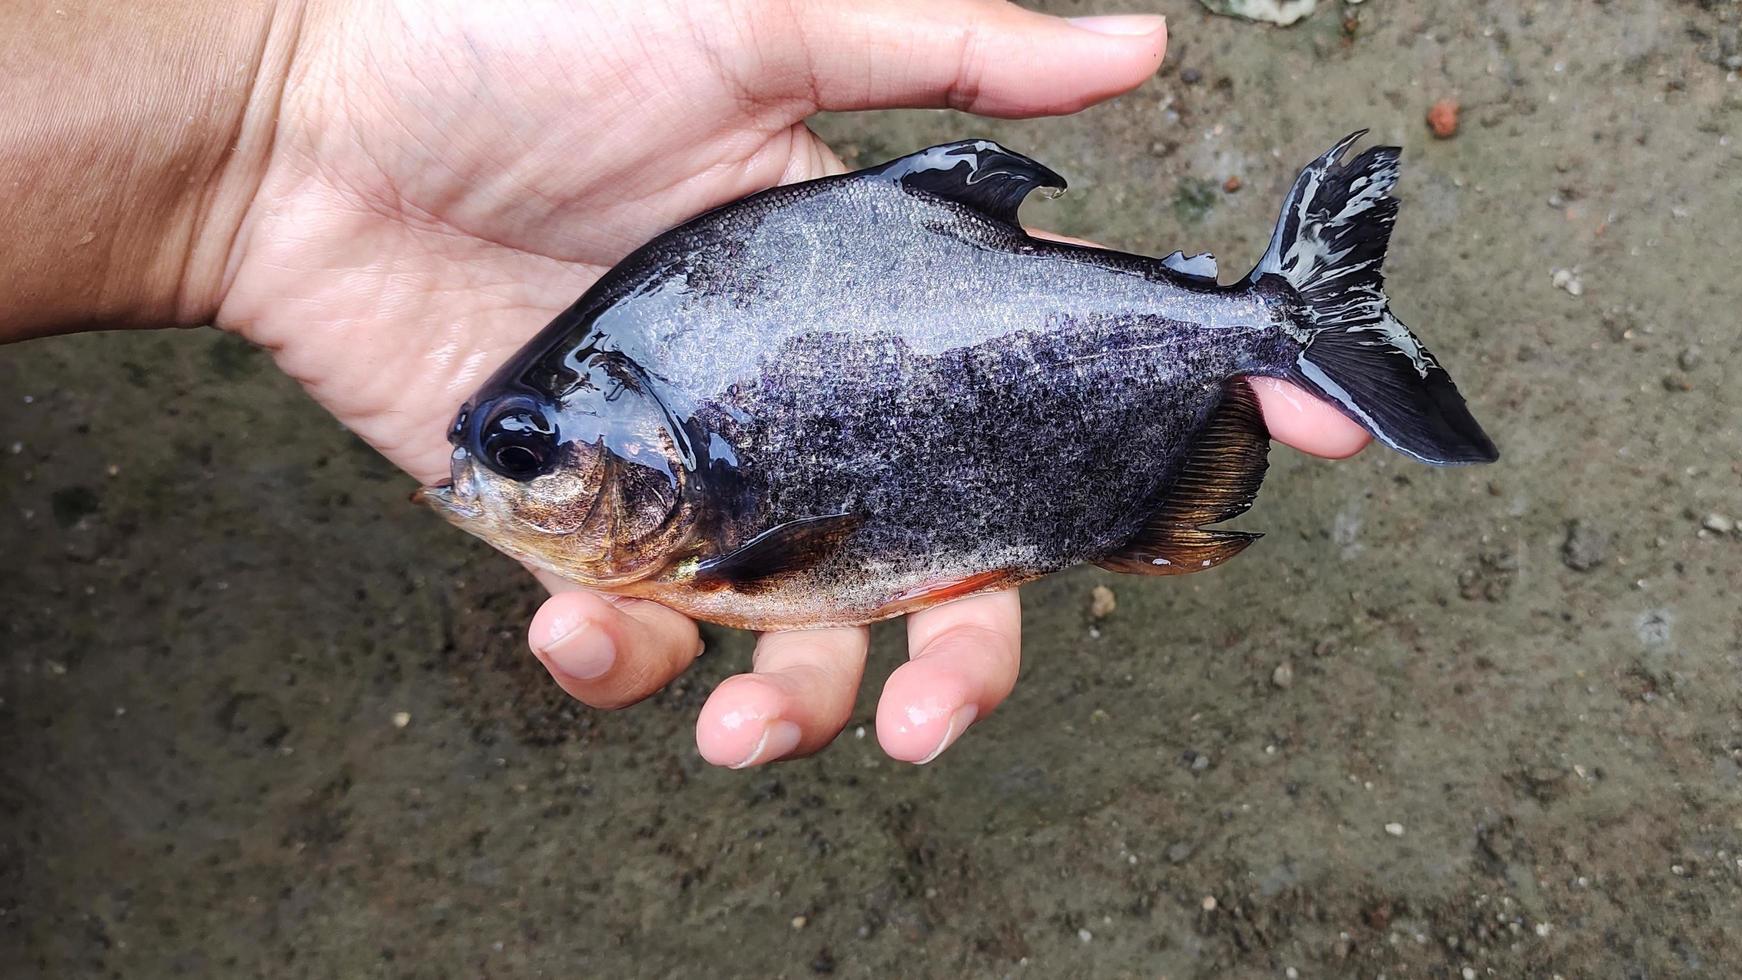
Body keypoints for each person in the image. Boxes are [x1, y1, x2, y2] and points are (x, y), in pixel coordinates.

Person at [1, 0, 1373, 768]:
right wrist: (270, 118)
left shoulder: (708, 526)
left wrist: (276, 113)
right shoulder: (682, 454)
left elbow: (801, 557)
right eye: (522, 450)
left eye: (529, 451)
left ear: (642, 457)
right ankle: (1271, 324)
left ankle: (1275, 324)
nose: (485, 476)